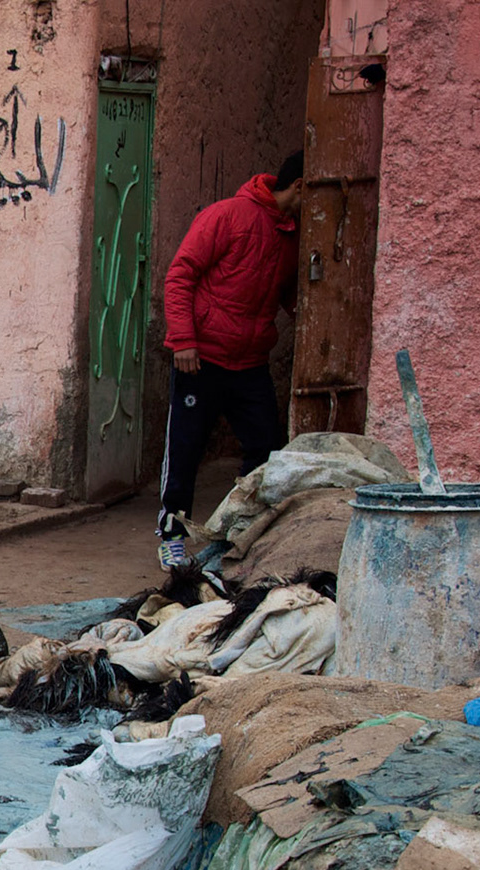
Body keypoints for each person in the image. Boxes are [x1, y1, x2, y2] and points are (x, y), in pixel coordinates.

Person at [156, 149, 305, 569]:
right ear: (300, 186)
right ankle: (172, 537)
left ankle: (243, 532)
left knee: (266, 451)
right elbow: (180, 274)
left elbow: (283, 288)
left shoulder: (292, 236)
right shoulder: (228, 216)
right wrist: (183, 339)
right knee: (184, 451)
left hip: (251, 361)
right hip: (199, 359)